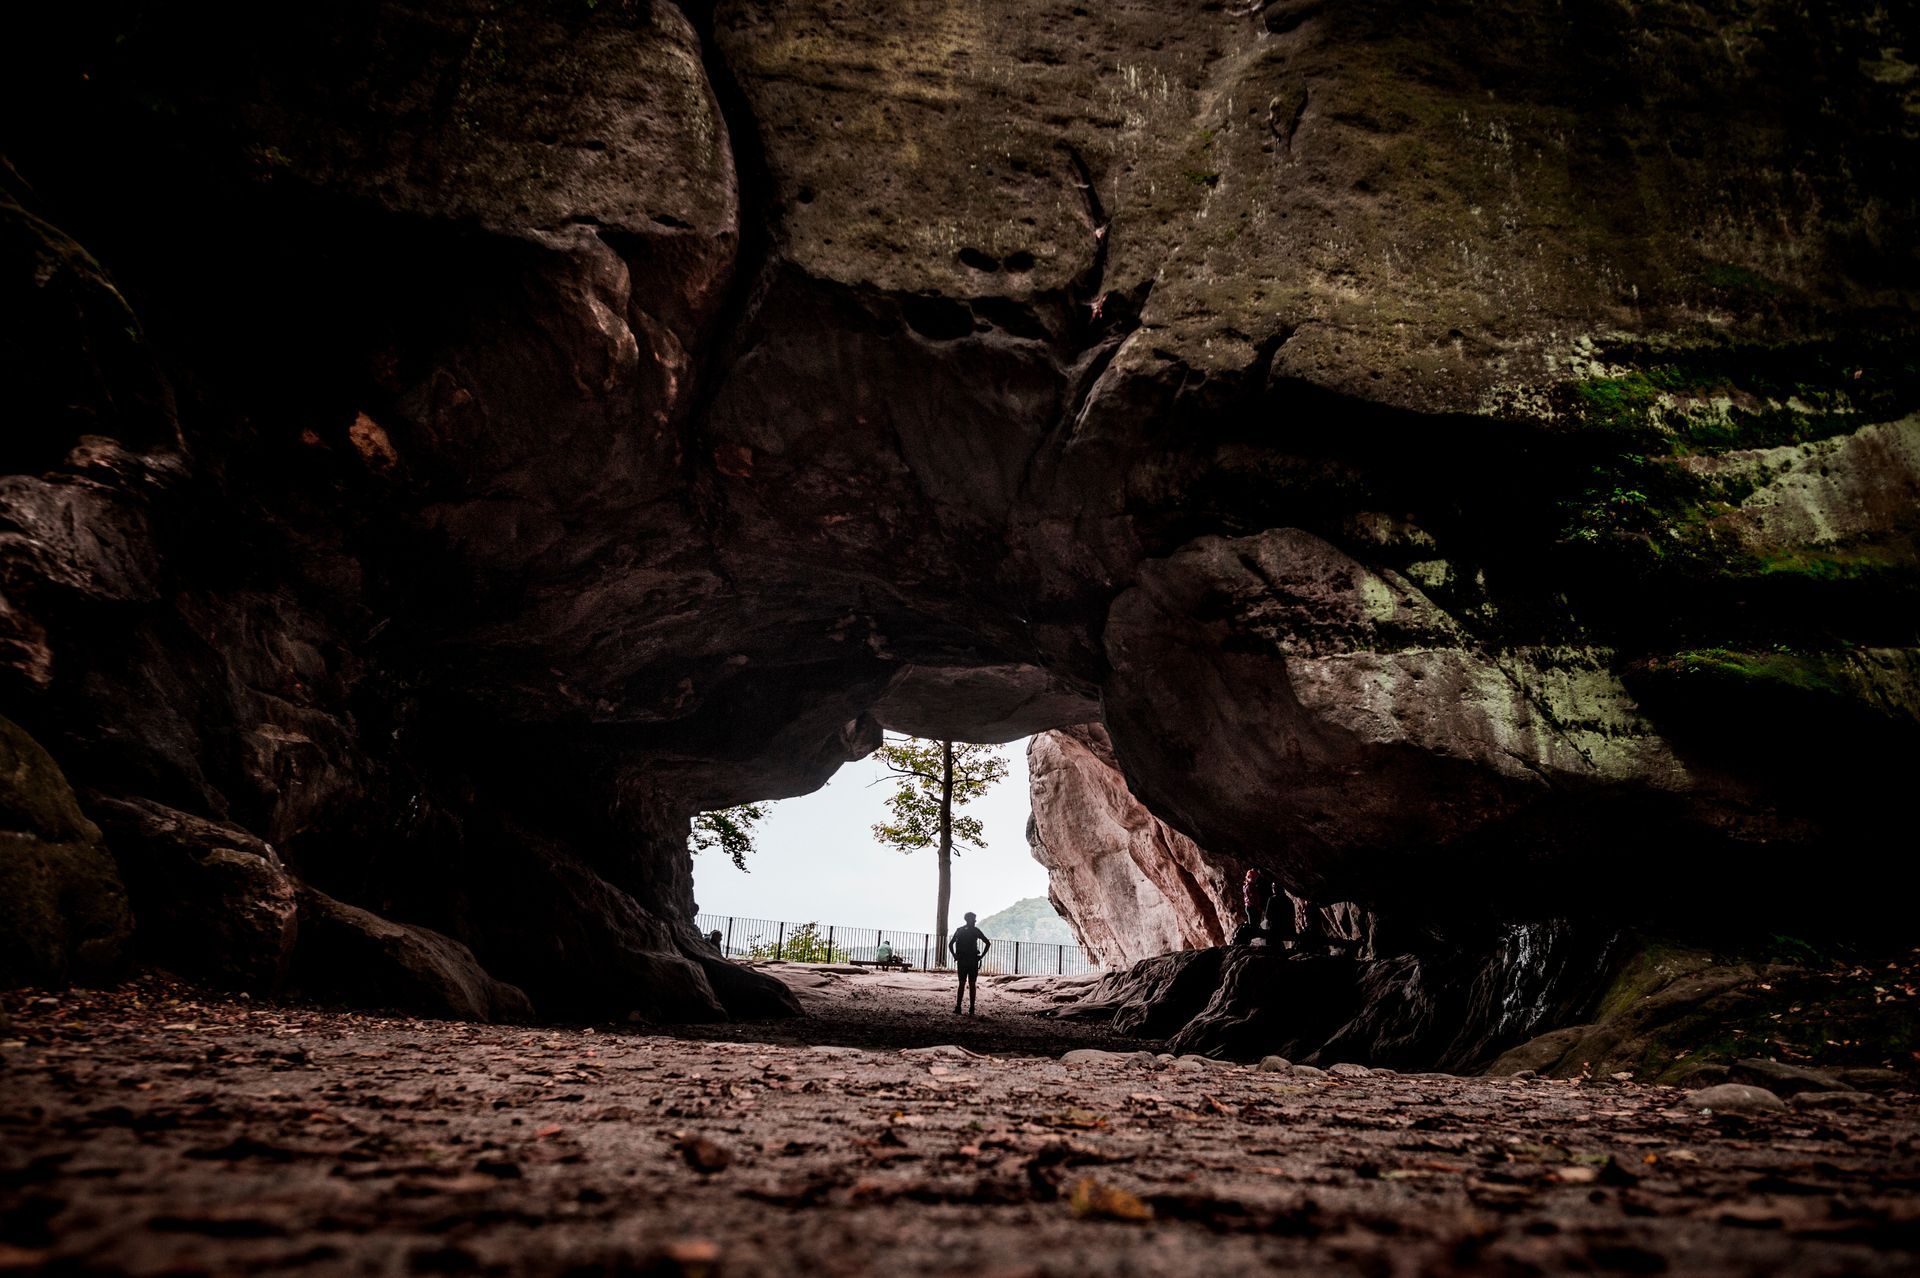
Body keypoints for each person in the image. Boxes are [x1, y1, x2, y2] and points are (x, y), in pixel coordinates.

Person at [948, 912, 991, 1015]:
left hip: (962, 960)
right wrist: (981, 956)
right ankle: (971, 1008)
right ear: (969, 919)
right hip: (972, 961)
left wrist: (954, 955)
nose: (975, 921)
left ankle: (958, 1007)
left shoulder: (959, 930)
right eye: (974, 919)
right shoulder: (975, 931)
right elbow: (987, 943)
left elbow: (951, 944)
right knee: (972, 984)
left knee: (962, 983)